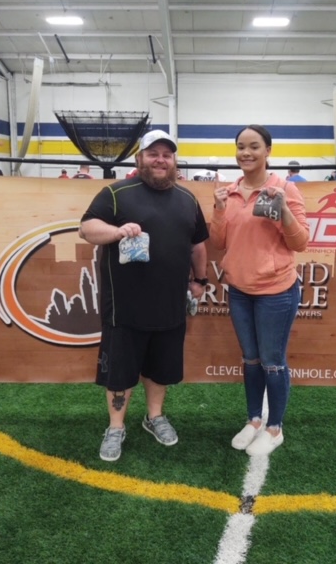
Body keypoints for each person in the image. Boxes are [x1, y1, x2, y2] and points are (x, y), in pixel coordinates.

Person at [79, 129, 208, 461]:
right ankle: (116, 427)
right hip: (124, 307)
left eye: (167, 155)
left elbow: (197, 245)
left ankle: (155, 417)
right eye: (153, 154)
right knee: (120, 372)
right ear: (140, 158)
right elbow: (86, 228)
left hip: (170, 305)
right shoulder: (116, 193)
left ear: (174, 160)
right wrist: (117, 231)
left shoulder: (188, 199)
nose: (160, 160)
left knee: (160, 369)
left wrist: (200, 280)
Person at [210, 125, 309, 456]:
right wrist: (218, 209)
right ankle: (254, 420)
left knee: (272, 361)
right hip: (239, 290)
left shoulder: (285, 189)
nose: (246, 153)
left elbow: (300, 242)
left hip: (276, 291)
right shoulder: (229, 192)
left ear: (268, 151)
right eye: (241, 146)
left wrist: (283, 211)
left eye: (254, 146)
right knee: (250, 359)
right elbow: (219, 242)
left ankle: (274, 427)